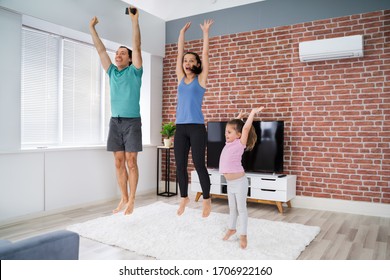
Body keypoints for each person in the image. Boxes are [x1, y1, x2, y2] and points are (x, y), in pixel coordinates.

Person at [89, 7, 143, 215]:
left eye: (122, 53)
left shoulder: (135, 71)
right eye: (117, 53)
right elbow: (101, 50)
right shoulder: (112, 72)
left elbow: (137, 47)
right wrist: (92, 29)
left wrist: (134, 21)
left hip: (132, 122)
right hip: (115, 122)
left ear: (129, 59)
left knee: (131, 161)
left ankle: (133, 200)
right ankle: (124, 198)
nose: (118, 55)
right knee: (118, 162)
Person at [174, 20, 214, 217]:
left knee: (199, 164)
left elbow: (205, 54)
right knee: (180, 164)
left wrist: (205, 32)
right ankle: (184, 198)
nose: (187, 63)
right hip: (180, 128)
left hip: (197, 128)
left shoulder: (201, 79)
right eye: (185, 61)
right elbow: (179, 52)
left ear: (197, 65)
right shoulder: (180, 77)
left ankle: (207, 199)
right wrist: (181, 33)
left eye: (191, 61)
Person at [220, 106, 264, 249]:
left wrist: (252, 113)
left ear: (238, 135)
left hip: (239, 183)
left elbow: (244, 129)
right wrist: (238, 117)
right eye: (226, 131)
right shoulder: (229, 142)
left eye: (229, 132)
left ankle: (243, 234)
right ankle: (232, 228)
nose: (226, 134)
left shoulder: (240, 144)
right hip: (230, 183)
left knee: (241, 209)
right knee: (232, 208)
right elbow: (237, 128)